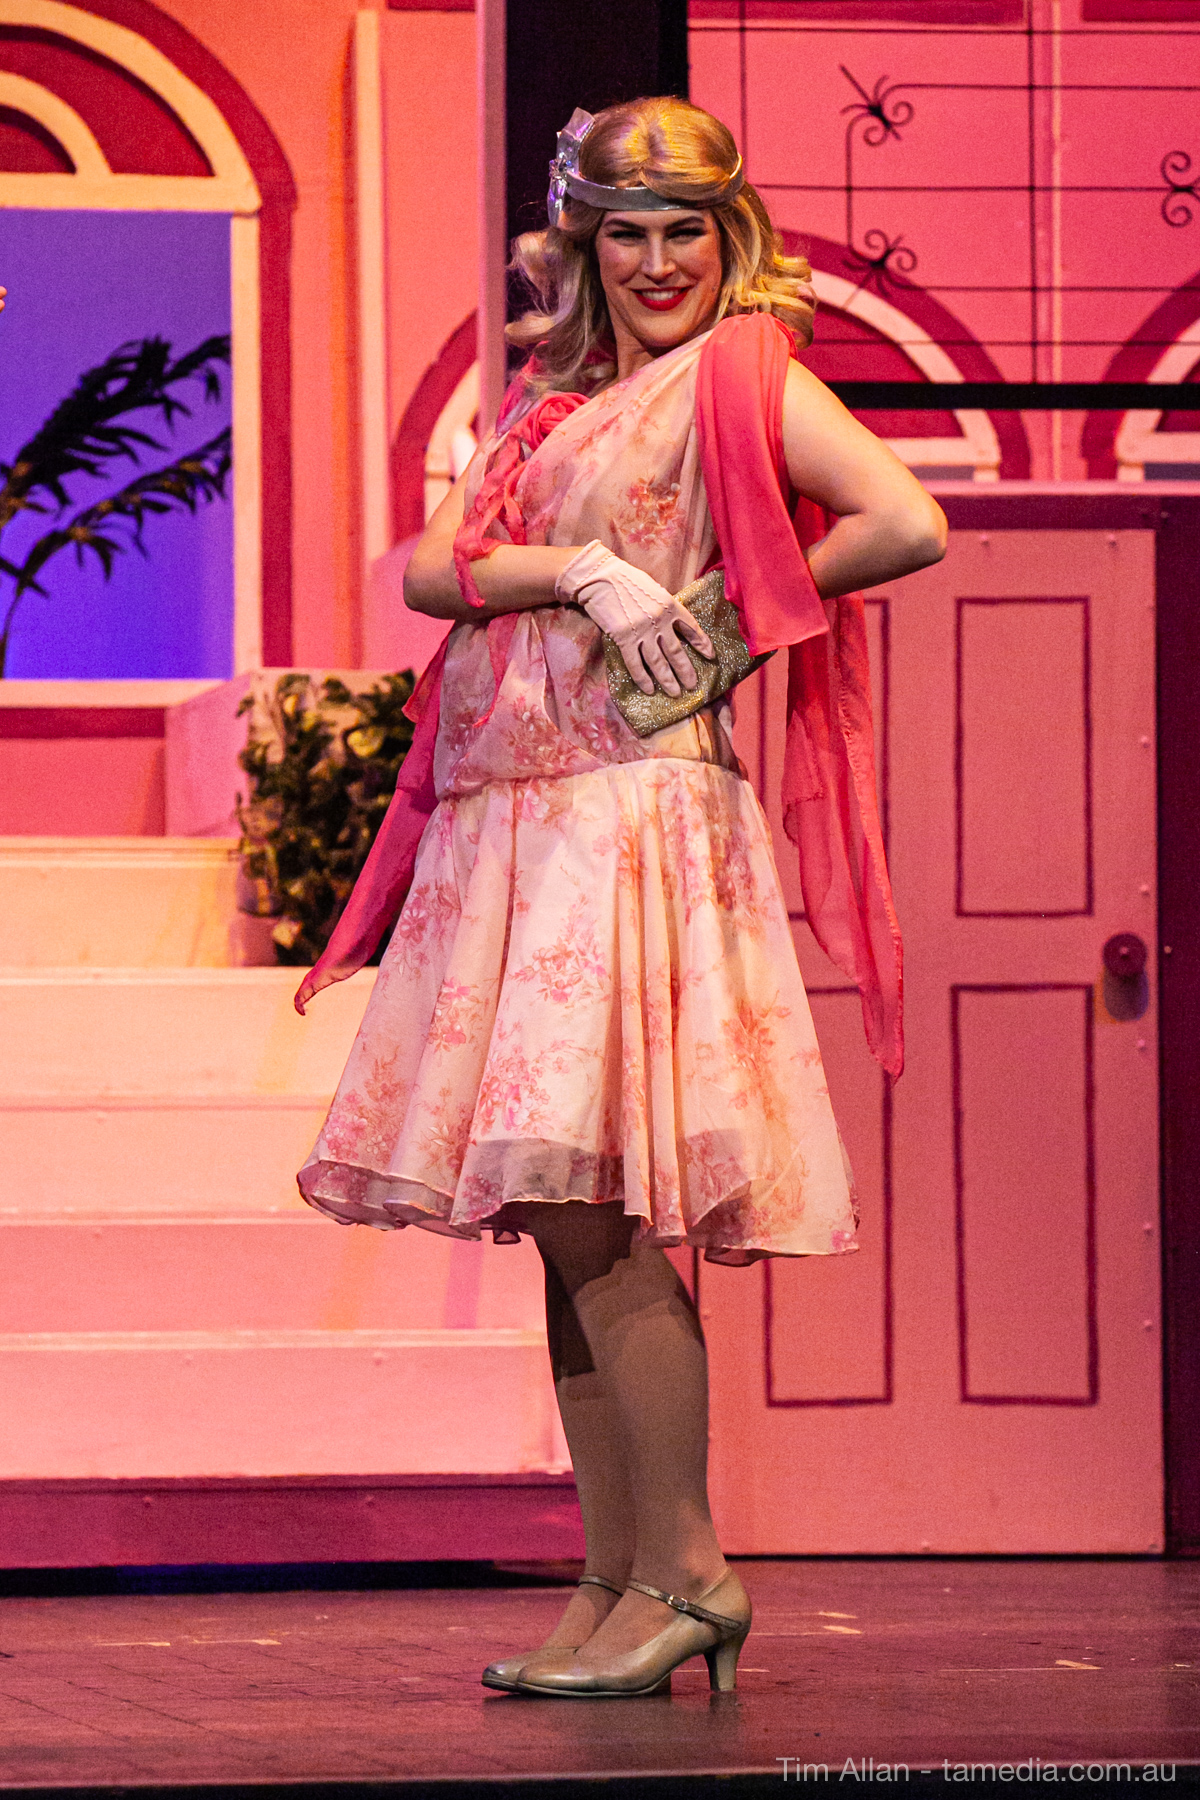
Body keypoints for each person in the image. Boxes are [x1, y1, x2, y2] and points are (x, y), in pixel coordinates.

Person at [294, 96, 945, 1698]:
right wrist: (579, 570)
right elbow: (435, 569)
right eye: (627, 232)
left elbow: (905, 519)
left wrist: (725, 620)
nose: (658, 262)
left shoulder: (742, 371)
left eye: (685, 232)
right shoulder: (548, 401)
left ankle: (693, 1572)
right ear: (583, 245)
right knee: (561, 1222)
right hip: (519, 818)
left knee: (604, 1224)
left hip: (624, 817)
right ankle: (617, 1577)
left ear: (729, 240)